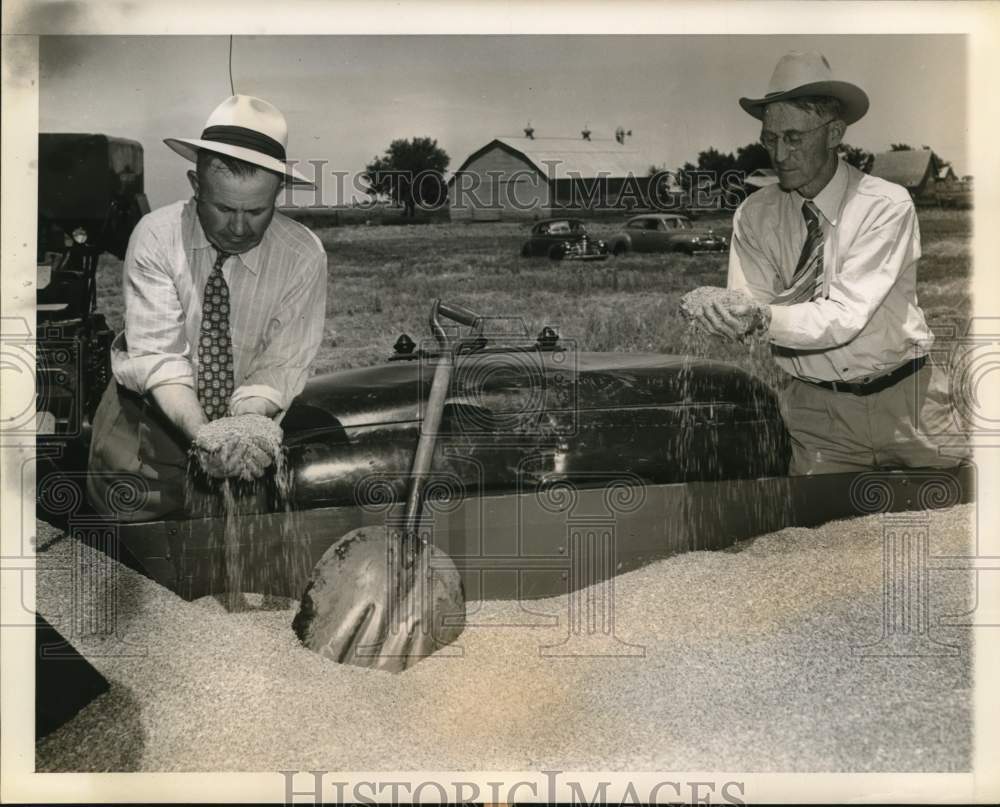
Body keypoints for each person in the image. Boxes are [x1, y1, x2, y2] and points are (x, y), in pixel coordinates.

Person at [694, 51, 967, 475]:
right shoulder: (754, 215)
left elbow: (844, 315)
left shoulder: (884, 205)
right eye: (770, 139)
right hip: (816, 414)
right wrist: (720, 308)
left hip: (909, 405)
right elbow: (748, 305)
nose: (779, 153)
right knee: (818, 537)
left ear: (834, 133)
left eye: (794, 137)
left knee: (955, 524)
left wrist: (759, 316)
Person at [87, 95, 327, 521]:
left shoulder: (303, 255)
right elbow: (161, 360)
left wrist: (245, 430)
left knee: (233, 564)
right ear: (196, 186)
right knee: (131, 574)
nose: (238, 227)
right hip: (144, 435)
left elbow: (281, 364)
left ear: (279, 193)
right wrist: (205, 436)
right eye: (223, 208)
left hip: (239, 445)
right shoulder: (157, 237)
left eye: (257, 210)